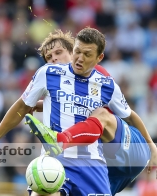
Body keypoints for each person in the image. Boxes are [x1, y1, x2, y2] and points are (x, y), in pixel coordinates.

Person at [26, 29, 155, 195]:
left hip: (130, 147)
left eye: (58, 53)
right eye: (48, 58)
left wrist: (151, 144)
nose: (54, 59)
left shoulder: (97, 74)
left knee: (101, 116)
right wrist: (47, 104)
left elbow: (125, 113)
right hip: (108, 163)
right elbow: (77, 105)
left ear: (73, 51)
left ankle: (60, 140)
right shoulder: (58, 80)